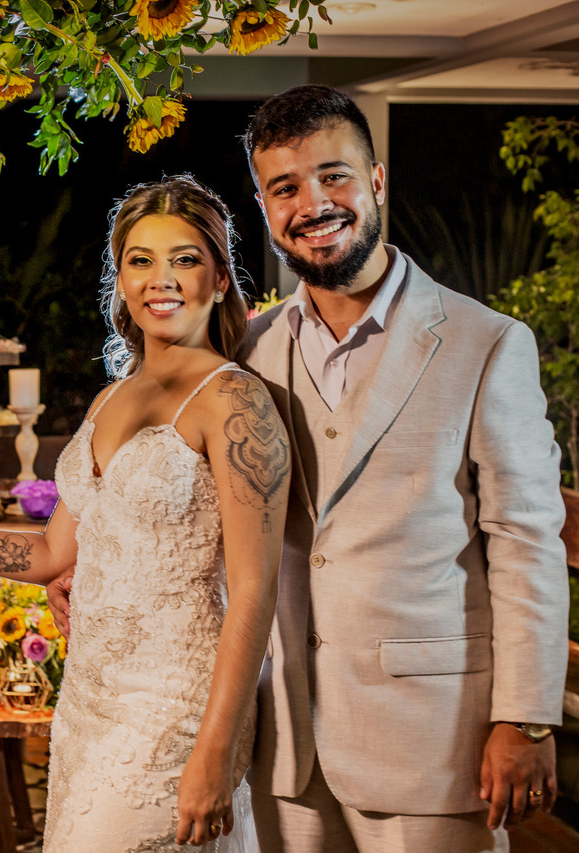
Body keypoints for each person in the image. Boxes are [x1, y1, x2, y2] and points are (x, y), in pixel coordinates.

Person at [52, 86, 570, 853]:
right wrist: (100, 566)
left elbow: (526, 540)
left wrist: (525, 716)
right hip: (281, 741)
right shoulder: (245, 354)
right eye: (285, 187)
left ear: (378, 182)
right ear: (263, 205)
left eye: (334, 176)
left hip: (431, 740)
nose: (313, 203)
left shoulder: (486, 343)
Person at [0, 176, 291, 851]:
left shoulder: (234, 402)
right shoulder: (107, 399)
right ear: (120, 280)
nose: (162, 278)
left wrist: (214, 749)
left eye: (184, 258)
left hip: (176, 711)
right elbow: (49, 555)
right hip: (88, 707)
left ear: (218, 276)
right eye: (141, 260)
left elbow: (254, 591)